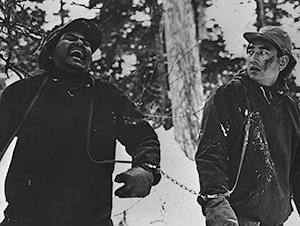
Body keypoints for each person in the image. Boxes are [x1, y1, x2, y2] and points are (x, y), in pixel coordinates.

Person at [0, 18, 161, 225]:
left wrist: (145, 169)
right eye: (71, 38)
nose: (80, 44)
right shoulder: (23, 93)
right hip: (25, 219)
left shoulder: (108, 96)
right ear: (51, 51)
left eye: (86, 44)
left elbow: (143, 136)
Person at [195, 26, 300, 226]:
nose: (253, 58)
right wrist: (215, 200)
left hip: (276, 221)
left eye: (263, 52)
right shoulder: (229, 95)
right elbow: (210, 151)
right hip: (235, 220)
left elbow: (298, 170)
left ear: (283, 62)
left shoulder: (290, 110)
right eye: (251, 51)